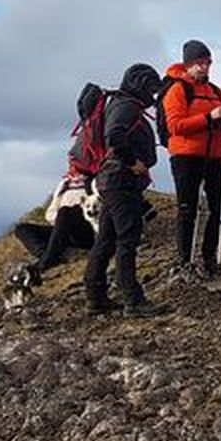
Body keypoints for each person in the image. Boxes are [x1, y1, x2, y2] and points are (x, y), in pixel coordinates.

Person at [84, 62, 163, 315]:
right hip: (121, 180)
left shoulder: (118, 103)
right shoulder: (127, 106)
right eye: (151, 89)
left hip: (110, 180)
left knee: (106, 239)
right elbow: (115, 136)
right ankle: (132, 299)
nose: (152, 96)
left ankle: (95, 297)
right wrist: (133, 162)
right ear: (140, 85)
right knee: (127, 239)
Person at [162, 39, 221, 280]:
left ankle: (209, 258)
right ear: (188, 65)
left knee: (219, 208)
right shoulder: (177, 90)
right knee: (188, 209)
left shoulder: (216, 91)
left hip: (215, 155)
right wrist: (208, 117)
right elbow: (175, 126)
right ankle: (185, 261)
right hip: (186, 156)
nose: (204, 67)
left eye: (207, 63)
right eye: (199, 63)